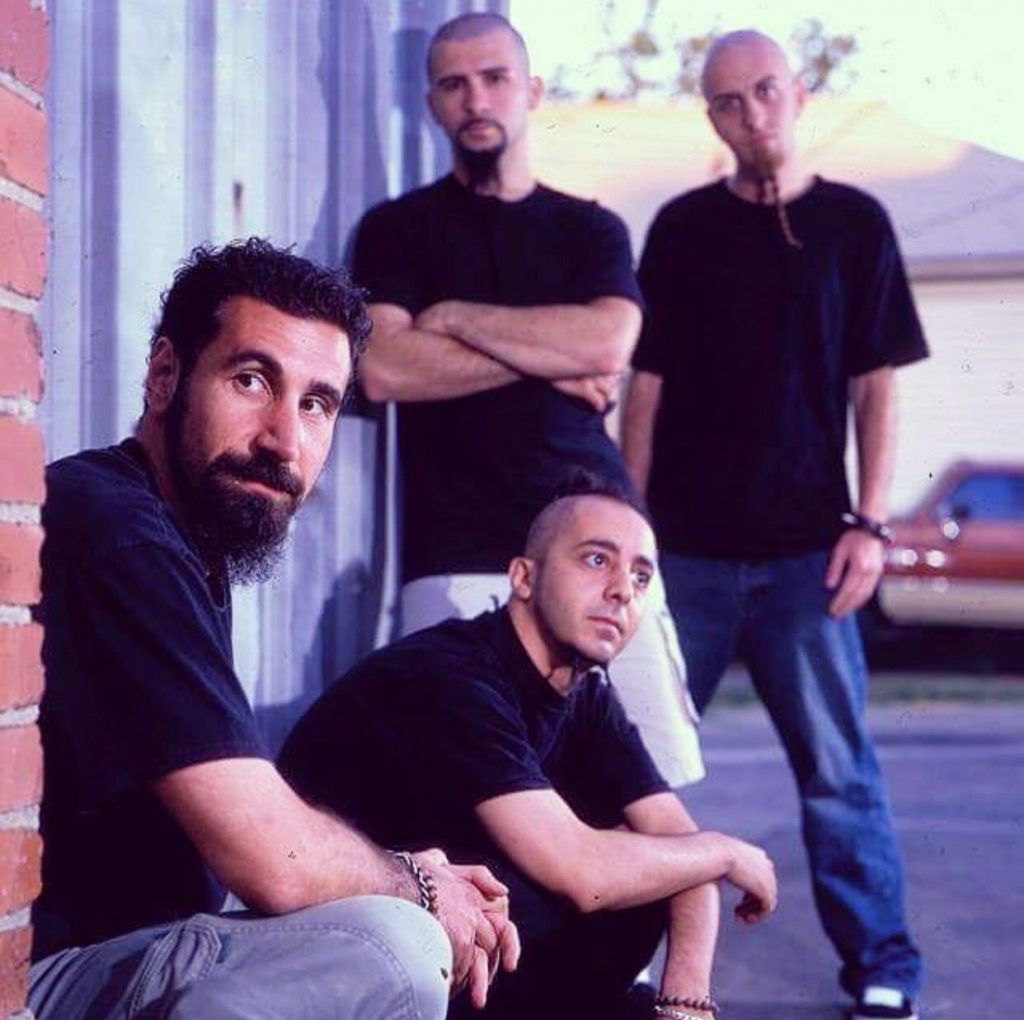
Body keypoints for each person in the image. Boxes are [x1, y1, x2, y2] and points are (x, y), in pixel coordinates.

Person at [30, 239, 518, 1020]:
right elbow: (266, 856)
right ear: (164, 376)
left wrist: (409, 877)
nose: (283, 441)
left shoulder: (184, 537)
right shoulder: (117, 531)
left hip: (125, 950)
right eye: (252, 381)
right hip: (44, 975)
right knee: (393, 947)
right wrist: (419, 885)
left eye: (317, 404)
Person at [621, 30, 927, 1020]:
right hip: (686, 557)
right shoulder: (682, 229)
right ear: (711, 118)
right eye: (727, 101)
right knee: (633, 766)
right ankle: (611, 961)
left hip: (807, 558)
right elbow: (646, 388)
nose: (750, 115)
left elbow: (875, 385)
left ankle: (882, 970)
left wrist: (869, 522)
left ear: (797, 94)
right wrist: (631, 530)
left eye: (763, 91)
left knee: (838, 775)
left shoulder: (854, 224)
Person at [352, 11, 702, 788]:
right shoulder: (398, 229)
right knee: (464, 794)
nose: (476, 99)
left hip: (598, 541)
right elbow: (383, 369)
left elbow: (607, 343)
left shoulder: (589, 229)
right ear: (432, 104)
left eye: (495, 78)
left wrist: (452, 317)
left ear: (533, 91)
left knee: (647, 786)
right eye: (454, 84)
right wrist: (548, 357)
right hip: (457, 552)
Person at [280, 480, 778, 1020]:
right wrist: (726, 851)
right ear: (523, 577)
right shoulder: (452, 676)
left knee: (648, 867)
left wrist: (685, 1002)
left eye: (640, 576)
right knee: (605, 876)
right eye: (596, 560)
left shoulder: (586, 692)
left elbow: (680, 845)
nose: (622, 591)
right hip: (332, 958)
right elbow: (583, 873)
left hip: (454, 952)